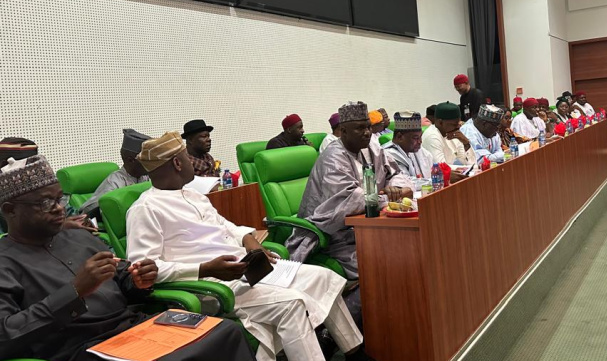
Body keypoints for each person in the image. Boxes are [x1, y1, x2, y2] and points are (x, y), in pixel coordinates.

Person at [126, 132, 371, 361]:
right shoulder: (145, 209)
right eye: (186, 158)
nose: (192, 162)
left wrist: (250, 241)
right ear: (178, 164)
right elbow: (143, 270)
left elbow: (226, 226)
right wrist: (205, 269)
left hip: (245, 269)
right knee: (291, 304)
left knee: (323, 277)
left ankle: (354, 351)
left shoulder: (194, 196)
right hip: (210, 286)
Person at [0, 155, 254, 361]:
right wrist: (75, 292)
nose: (59, 209)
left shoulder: (79, 237)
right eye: (46, 203)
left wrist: (139, 280)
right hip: (84, 346)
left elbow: (122, 277)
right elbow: (6, 335)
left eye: (59, 199)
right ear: (10, 211)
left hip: (134, 325)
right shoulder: (5, 262)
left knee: (223, 331)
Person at [286, 101, 413, 279]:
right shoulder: (333, 157)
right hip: (335, 236)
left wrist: (396, 188)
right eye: (360, 128)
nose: (367, 132)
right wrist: (390, 199)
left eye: (368, 127)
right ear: (343, 131)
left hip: (369, 226)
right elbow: (350, 201)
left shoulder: (371, 148)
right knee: (388, 261)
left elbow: (394, 172)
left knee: (409, 247)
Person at [79, 129, 151, 218]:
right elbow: (88, 211)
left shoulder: (146, 176)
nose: (151, 163)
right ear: (130, 160)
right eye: (146, 159)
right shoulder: (114, 183)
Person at [422, 102, 477, 166]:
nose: (458, 127)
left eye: (459, 123)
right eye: (454, 124)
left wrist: (466, 143)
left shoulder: (452, 134)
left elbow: (472, 164)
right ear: (440, 122)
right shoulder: (432, 136)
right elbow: (441, 168)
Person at [382, 111, 434, 179]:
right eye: (415, 138)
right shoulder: (388, 155)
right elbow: (403, 182)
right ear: (399, 137)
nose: (420, 141)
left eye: (420, 137)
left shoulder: (417, 150)